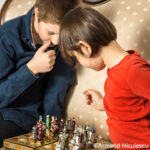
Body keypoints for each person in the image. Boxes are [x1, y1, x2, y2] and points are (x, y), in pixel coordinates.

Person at [59, 6, 150, 149]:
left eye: (76, 57)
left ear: (85, 48)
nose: (79, 63)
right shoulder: (117, 70)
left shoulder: (132, 71)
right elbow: (131, 107)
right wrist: (105, 104)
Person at [0, 0, 79, 147]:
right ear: (37, 13)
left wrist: (51, 129)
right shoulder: (6, 36)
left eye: (61, 34)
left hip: (22, 118)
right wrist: (30, 70)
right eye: (51, 32)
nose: (56, 40)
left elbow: (57, 91)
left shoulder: (64, 44)